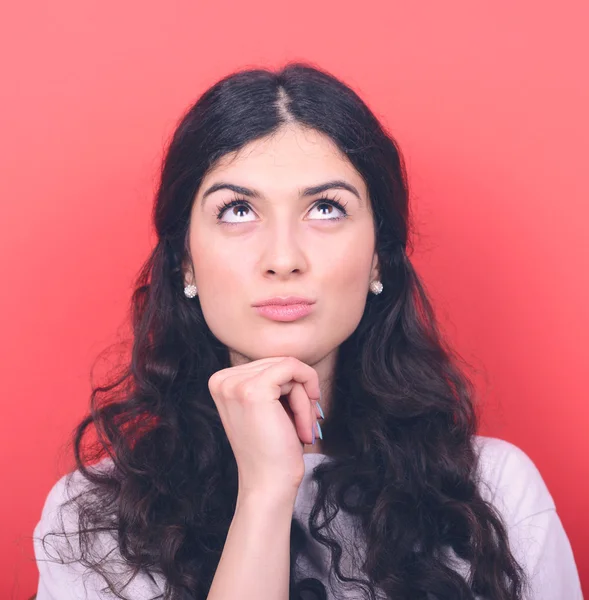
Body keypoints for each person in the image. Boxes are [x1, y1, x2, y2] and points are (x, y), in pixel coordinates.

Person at [32, 62, 584, 600]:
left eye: (325, 207)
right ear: (186, 265)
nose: (283, 258)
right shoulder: (93, 521)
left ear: (377, 259)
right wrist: (266, 494)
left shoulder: (492, 491)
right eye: (237, 211)